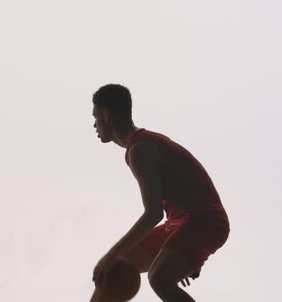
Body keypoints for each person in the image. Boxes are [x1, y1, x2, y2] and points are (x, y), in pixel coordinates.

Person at [89, 84, 230, 302]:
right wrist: (176, 255)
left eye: (95, 117)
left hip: (204, 222)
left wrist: (108, 255)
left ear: (106, 116)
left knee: (159, 278)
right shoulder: (140, 146)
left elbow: (153, 213)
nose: (94, 124)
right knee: (118, 266)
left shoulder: (141, 149)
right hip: (180, 223)